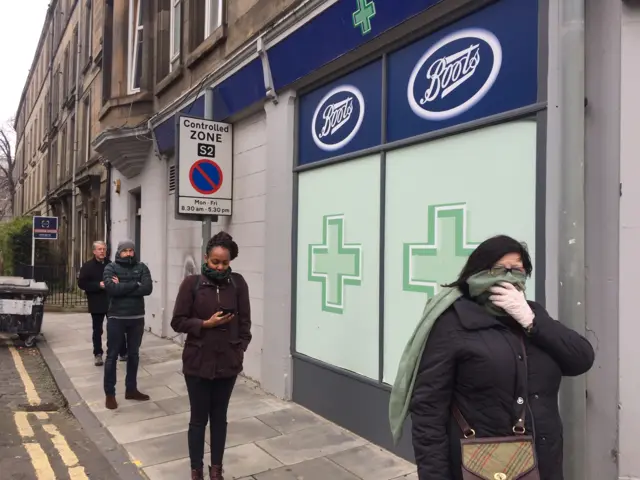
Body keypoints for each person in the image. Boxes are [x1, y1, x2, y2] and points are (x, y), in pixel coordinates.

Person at [389, 235, 594, 480]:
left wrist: (531, 321)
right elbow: (428, 410)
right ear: (477, 273)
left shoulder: (532, 315)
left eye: (516, 270)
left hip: (543, 463)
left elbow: (581, 358)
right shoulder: (452, 323)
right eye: (498, 269)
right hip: (484, 465)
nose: (508, 277)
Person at [171, 231, 252, 480]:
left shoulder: (238, 284)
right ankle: (196, 469)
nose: (219, 266)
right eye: (215, 261)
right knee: (198, 419)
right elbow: (178, 321)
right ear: (206, 258)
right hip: (197, 363)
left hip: (227, 362)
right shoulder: (192, 284)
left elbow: (246, 323)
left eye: (225, 262)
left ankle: (216, 469)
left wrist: (239, 348)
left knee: (220, 418)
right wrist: (205, 324)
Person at [102, 239, 153, 410]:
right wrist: (134, 284)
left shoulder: (142, 267)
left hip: (136, 317)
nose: (129, 253)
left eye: (131, 250)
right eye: (125, 251)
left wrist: (122, 286)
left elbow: (147, 288)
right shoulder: (111, 267)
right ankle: (110, 394)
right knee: (112, 356)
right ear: (119, 252)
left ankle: (131, 389)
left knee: (134, 355)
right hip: (116, 317)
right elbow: (111, 289)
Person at [78, 240, 127, 366]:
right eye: (99, 249)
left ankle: (122, 352)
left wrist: (118, 281)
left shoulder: (111, 265)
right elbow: (82, 283)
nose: (102, 251)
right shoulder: (87, 266)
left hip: (111, 301)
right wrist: (98, 285)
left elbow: (119, 279)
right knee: (97, 330)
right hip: (96, 302)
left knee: (116, 328)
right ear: (94, 251)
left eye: (104, 249)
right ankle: (98, 354)